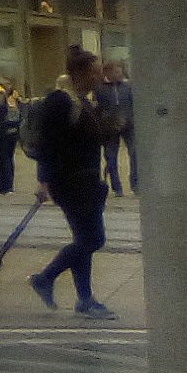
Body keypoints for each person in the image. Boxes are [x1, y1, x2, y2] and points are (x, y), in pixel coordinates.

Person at [27, 47, 115, 317]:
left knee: (84, 239)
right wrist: (43, 181)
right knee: (93, 239)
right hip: (70, 182)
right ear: (80, 73)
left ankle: (85, 299)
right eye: (96, 72)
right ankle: (45, 278)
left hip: (87, 181)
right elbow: (47, 143)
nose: (101, 77)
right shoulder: (61, 101)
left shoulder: (84, 101)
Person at [97, 60, 136, 196]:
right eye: (116, 72)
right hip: (110, 126)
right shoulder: (101, 89)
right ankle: (117, 186)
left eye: (120, 71)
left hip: (128, 124)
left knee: (135, 152)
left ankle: (135, 183)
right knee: (111, 156)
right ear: (108, 73)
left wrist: (130, 118)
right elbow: (100, 108)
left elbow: (133, 104)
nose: (119, 74)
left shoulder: (127, 86)